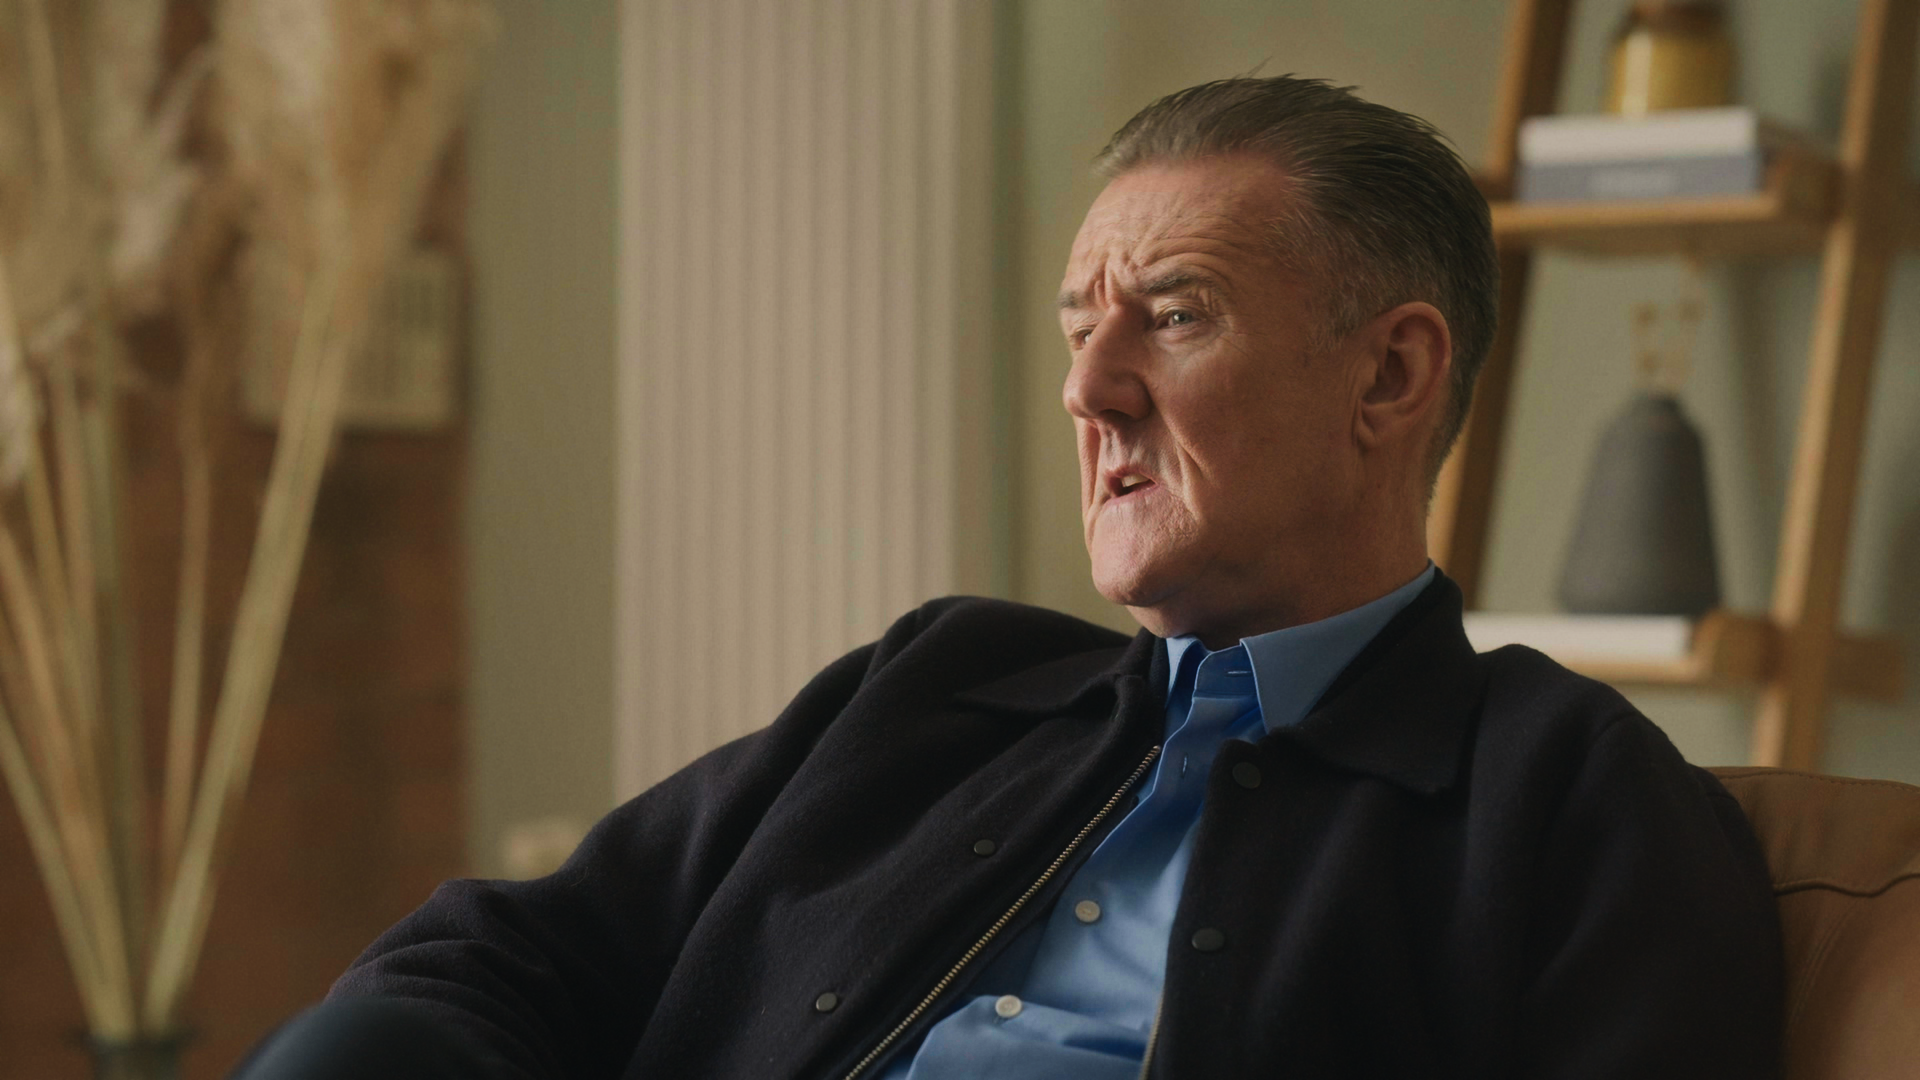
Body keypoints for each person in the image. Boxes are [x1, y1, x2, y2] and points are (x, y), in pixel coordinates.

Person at [236, 76, 1782, 1080]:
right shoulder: (939, 689)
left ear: (1390, 376)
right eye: (1079, 326)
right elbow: (496, 955)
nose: (1087, 390)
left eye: (1173, 315)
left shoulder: (1574, 802)